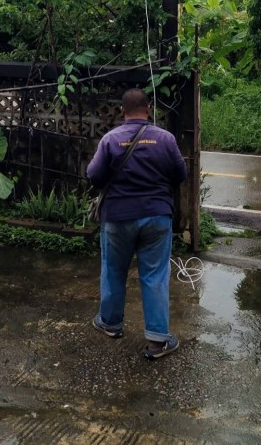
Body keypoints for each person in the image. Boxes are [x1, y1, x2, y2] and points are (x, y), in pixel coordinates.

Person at [87, 88, 187, 359]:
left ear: (122, 111)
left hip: (117, 218)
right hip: (156, 217)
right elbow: (181, 173)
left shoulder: (110, 139)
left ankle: (110, 323)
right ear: (149, 109)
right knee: (154, 276)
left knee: (113, 270)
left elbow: (93, 176)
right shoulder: (165, 139)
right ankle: (157, 341)